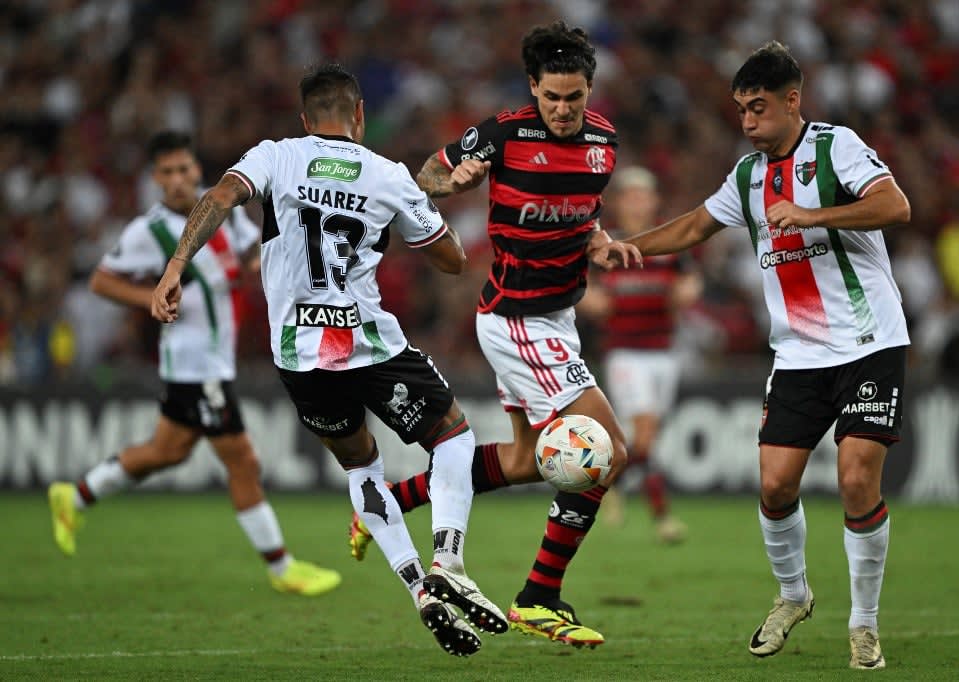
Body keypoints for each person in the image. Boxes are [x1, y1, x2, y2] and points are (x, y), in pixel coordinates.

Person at [150, 64, 507, 657]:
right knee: (453, 437)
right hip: (367, 342)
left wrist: (174, 267)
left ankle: (419, 588)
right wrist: (428, 203)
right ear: (360, 115)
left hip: (297, 354)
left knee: (362, 467)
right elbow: (451, 260)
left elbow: (218, 197)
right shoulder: (387, 173)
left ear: (304, 118)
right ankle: (447, 558)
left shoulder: (276, 155)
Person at [593, 41, 910, 670]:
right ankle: (793, 596)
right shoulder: (747, 175)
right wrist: (628, 247)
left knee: (854, 480)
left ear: (792, 100)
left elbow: (894, 206)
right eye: (741, 110)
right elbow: (693, 225)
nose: (747, 122)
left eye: (758, 108)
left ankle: (865, 625)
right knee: (773, 486)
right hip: (797, 354)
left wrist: (814, 213)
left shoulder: (834, 146)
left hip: (869, 342)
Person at [348, 21, 640, 649]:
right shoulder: (503, 133)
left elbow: (583, 214)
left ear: (590, 90)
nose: (563, 109)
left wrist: (601, 241)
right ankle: (539, 595)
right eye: (552, 96)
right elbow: (423, 172)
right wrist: (450, 183)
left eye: (575, 97)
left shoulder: (605, 144)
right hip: (518, 318)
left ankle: (392, 502)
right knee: (607, 448)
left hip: (556, 317)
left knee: (522, 460)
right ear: (533, 86)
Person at [46, 131, 341, 598]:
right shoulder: (150, 232)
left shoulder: (224, 216)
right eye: (168, 172)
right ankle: (282, 567)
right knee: (243, 460)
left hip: (214, 360)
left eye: (185, 169)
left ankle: (76, 495)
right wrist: (150, 296)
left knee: (168, 451)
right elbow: (102, 281)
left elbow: (248, 256)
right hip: (194, 363)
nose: (179, 179)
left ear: (197, 170)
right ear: (155, 179)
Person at [576, 166, 696, 544]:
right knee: (644, 435)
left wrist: (685, 292)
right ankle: (663, 517)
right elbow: (584, 293)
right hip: (625, 353)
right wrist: (598, 301)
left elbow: (690, 282)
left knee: (640, 441)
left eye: (643, 195)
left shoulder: (666, 244)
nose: (637, 202)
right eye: (630, 195)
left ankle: (607, 483)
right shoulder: (603, 246)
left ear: (654, 201)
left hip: (664, 352)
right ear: (619, 203)